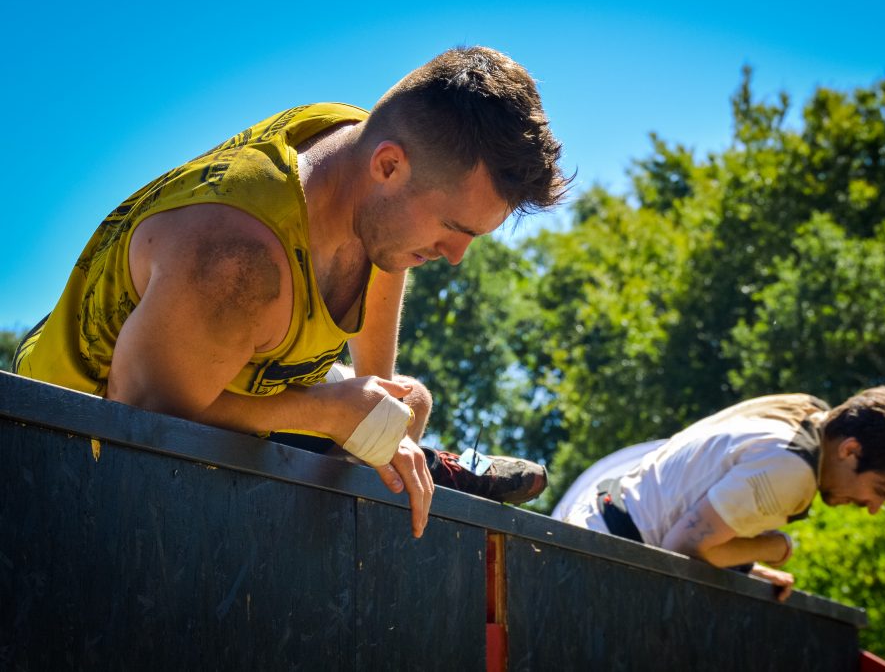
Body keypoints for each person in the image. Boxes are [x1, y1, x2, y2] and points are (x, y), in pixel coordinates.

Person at [13, 46, 567, 538]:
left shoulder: (366, 157)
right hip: (70, 454)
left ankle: (415, 452)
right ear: (389, 166)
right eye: (454, 228)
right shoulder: (236, 263)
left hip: (216, 361)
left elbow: (386, 249)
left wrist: (382, 415)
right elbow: (142, 418)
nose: (455, 255)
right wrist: (330, 416)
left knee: (412, 402)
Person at [556, 383, 885, 601]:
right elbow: (681, 544)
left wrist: (746, 566)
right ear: (851, 450)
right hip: (604, 565)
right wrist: (774, 547)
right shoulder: (794, 469)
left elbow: (688, 517)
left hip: (595, 530)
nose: (873, 508)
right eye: (879, 490)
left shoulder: (801, 411)